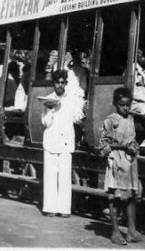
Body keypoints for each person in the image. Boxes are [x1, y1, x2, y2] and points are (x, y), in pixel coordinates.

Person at [98, 87, 142, 245]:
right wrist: (123, 148)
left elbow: (132, 139)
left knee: (131, 196)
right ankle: (115, 232)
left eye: (128, 104)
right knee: (115, 196)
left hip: (129, 162)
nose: (125, 108)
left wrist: (134, 147)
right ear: (115, 104)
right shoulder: (111, 120)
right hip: (116, 161)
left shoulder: (130, 119)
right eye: (122, 105)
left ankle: (131, 231)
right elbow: (104, 146)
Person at [41, 70, 85, 217]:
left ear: (66, 84)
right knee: (50, 175)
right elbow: (45, 123)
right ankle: (50, 208)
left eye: (62, 82)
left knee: (65, 175)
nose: (60, 85)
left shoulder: (71, 99)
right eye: (57, 82)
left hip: (66, 140)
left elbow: (76, 119)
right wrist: (51, 110)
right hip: (51, 140)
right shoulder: (47, 99)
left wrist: (83, 112)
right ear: (53, 83)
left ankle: (64, 209)